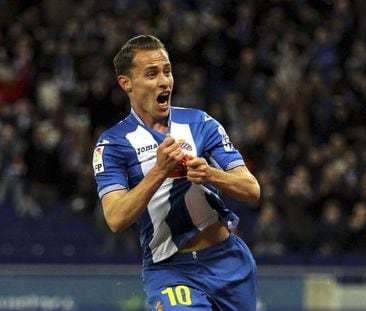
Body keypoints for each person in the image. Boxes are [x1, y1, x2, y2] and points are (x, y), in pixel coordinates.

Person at [92, 34, 261, 310]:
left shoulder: (200, 122)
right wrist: (159, 171)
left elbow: (252, 190)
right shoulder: (112, 144)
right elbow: (116, 218)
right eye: (151, 74)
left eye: (167, 71)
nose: (164, 81)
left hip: (229, 262)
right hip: (172, 271)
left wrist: (210, 174)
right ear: (126, 83)